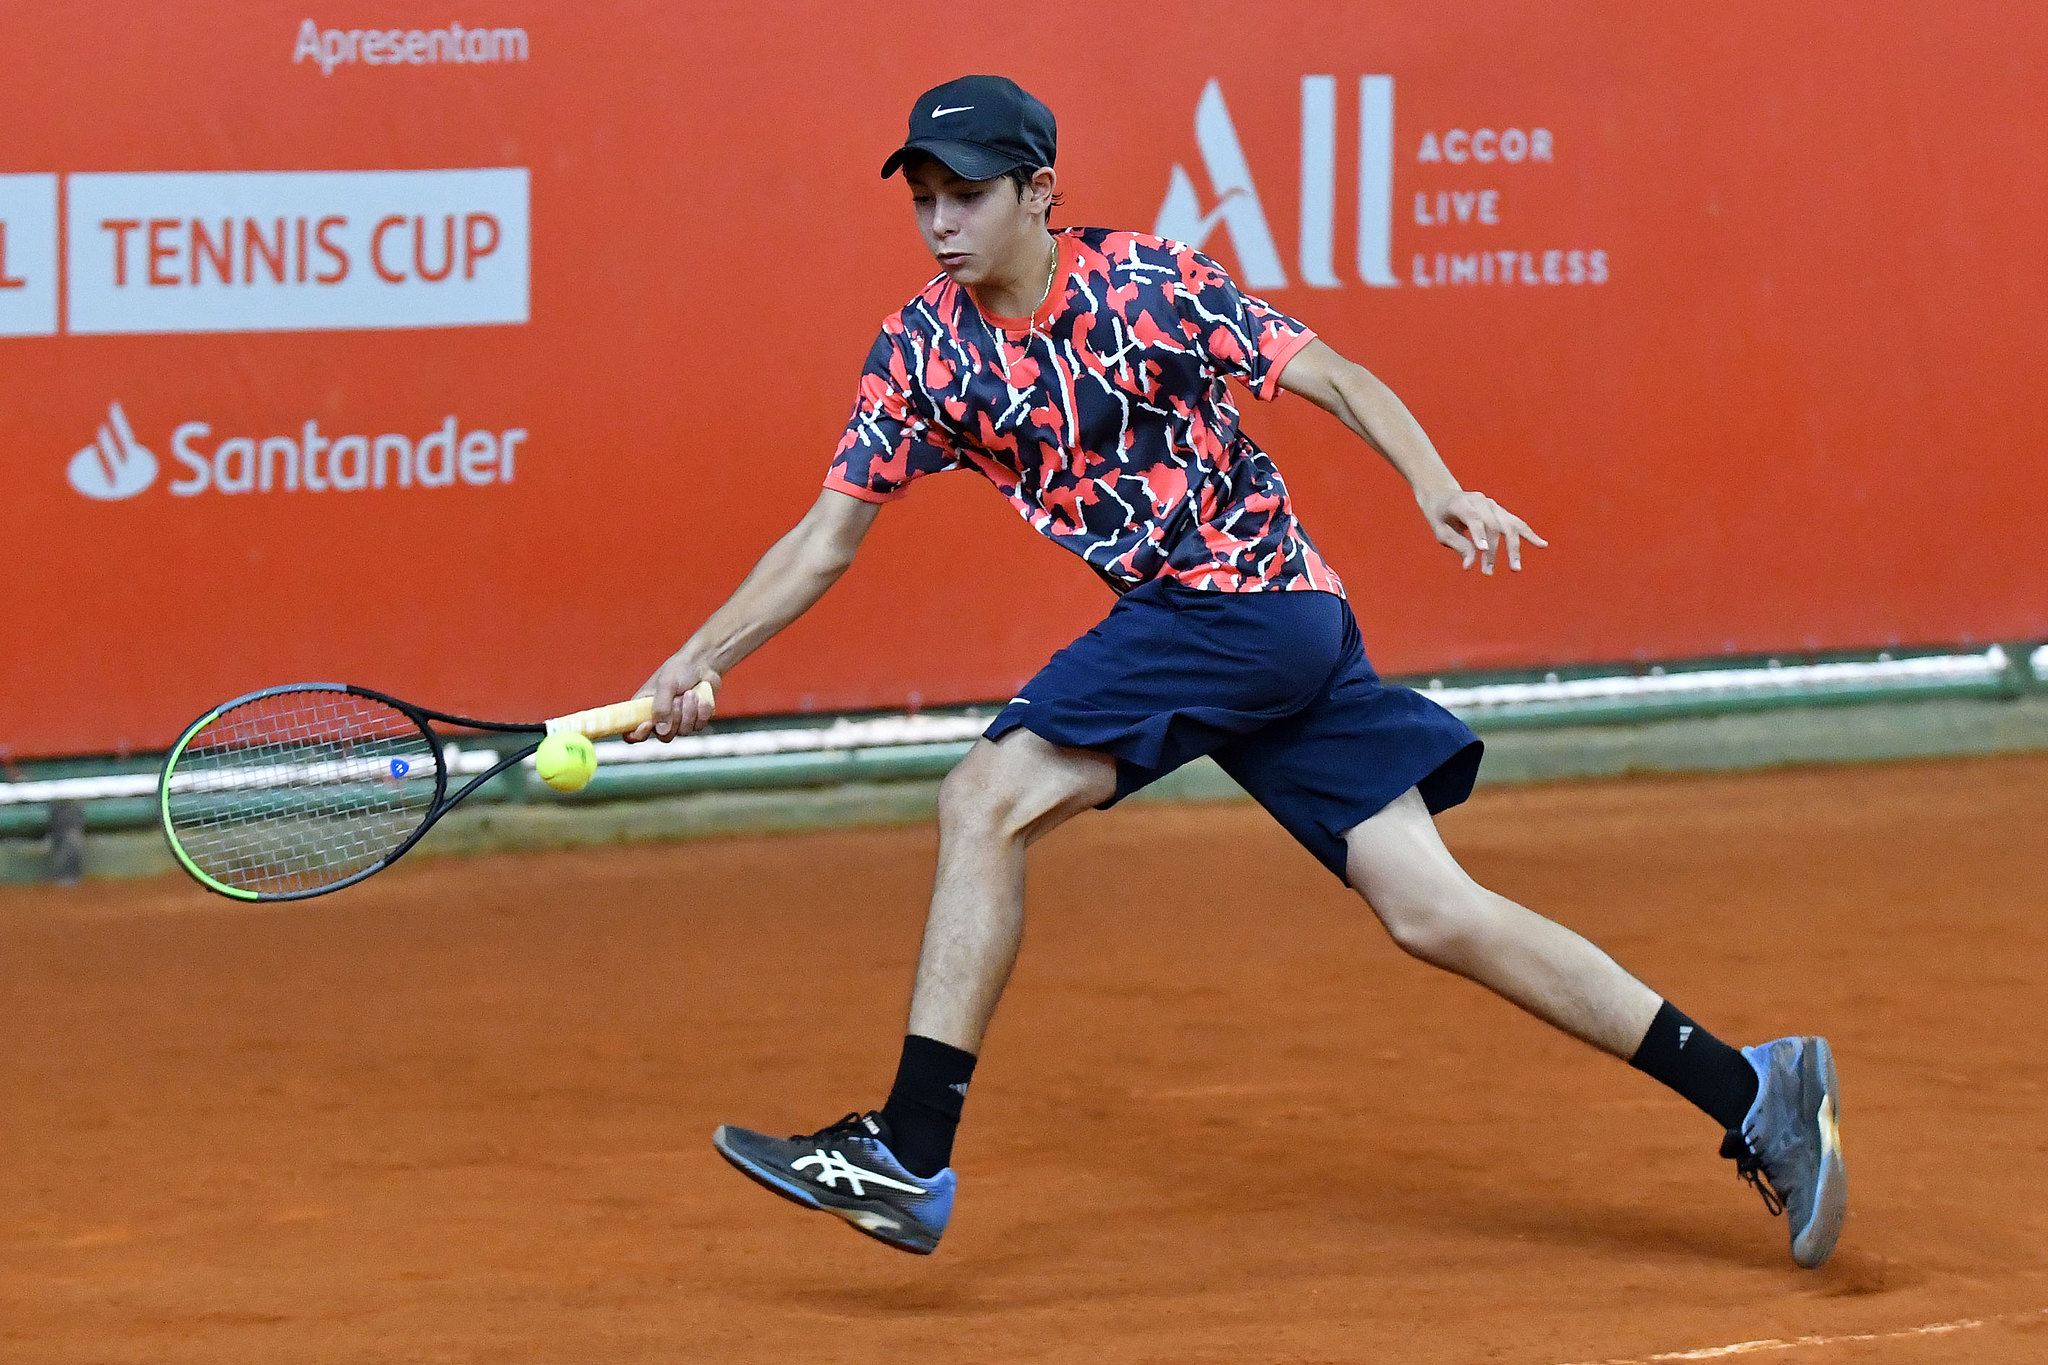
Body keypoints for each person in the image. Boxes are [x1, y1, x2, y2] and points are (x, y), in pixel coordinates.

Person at [627, 75, 1845, 1266]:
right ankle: (1752, 1089)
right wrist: (699, 658)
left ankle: (909, 1149)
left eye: (969, 194)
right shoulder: (919, 353)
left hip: (1244, 609)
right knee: (1434, 911)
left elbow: (1333, 377)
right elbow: (824, 538)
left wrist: (1435, 485)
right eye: (923, 199)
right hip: (1259, 635)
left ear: (1039, 191)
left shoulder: (1146, 284)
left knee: (979, 799)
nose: (941, 223)